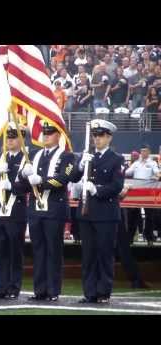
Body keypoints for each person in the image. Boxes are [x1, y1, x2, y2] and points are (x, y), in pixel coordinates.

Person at [19, 122, 75, 302]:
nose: (46, 136)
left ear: (59, 136)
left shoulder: (67, 156)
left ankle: (53, 290)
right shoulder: (34, 156)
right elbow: (23, 184)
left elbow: (63, 179)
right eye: (44, 133)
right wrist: (23, 175)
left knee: (53, 251)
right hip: (36, 211)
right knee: (38, 251)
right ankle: (40, 290)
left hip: (54, 211)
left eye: (50, 133)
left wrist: (41, 181)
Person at [71, 119, 124, 304]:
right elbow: (73, 176)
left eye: (101, 135)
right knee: (88, 255)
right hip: (87, 213)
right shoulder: (88, 156)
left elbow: (117, 186)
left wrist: (97, 190)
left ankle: (103, 292)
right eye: (95, 135)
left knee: (104, 254)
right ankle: (89, 292)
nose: (97, 139)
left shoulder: (117, 159)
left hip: (106, 214)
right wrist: (80, 165)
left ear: (109, 137)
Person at [0, 124, 28, 300]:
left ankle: (13, 287)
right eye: (7, 138)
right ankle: (1, 287)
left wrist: (14, 186)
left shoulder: (27, 159)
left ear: (21, 139)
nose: (9, 141)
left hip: (16, 210)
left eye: (13, 138)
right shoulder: (0, 158)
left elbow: (30, 185)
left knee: (14, 251)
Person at [124, 144, 160, 246]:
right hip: (136, 192)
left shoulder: (152, 163)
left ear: (149, 151)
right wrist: (121, 171)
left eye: (145, 151)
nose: (143, 153)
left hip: (148, 192)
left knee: (150, 216)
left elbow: (157, 173)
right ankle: (130, 238)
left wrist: (157, 176)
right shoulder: (136, 163)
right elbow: (127, 172)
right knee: (133, 216)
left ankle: (149, 237)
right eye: (142, 151)